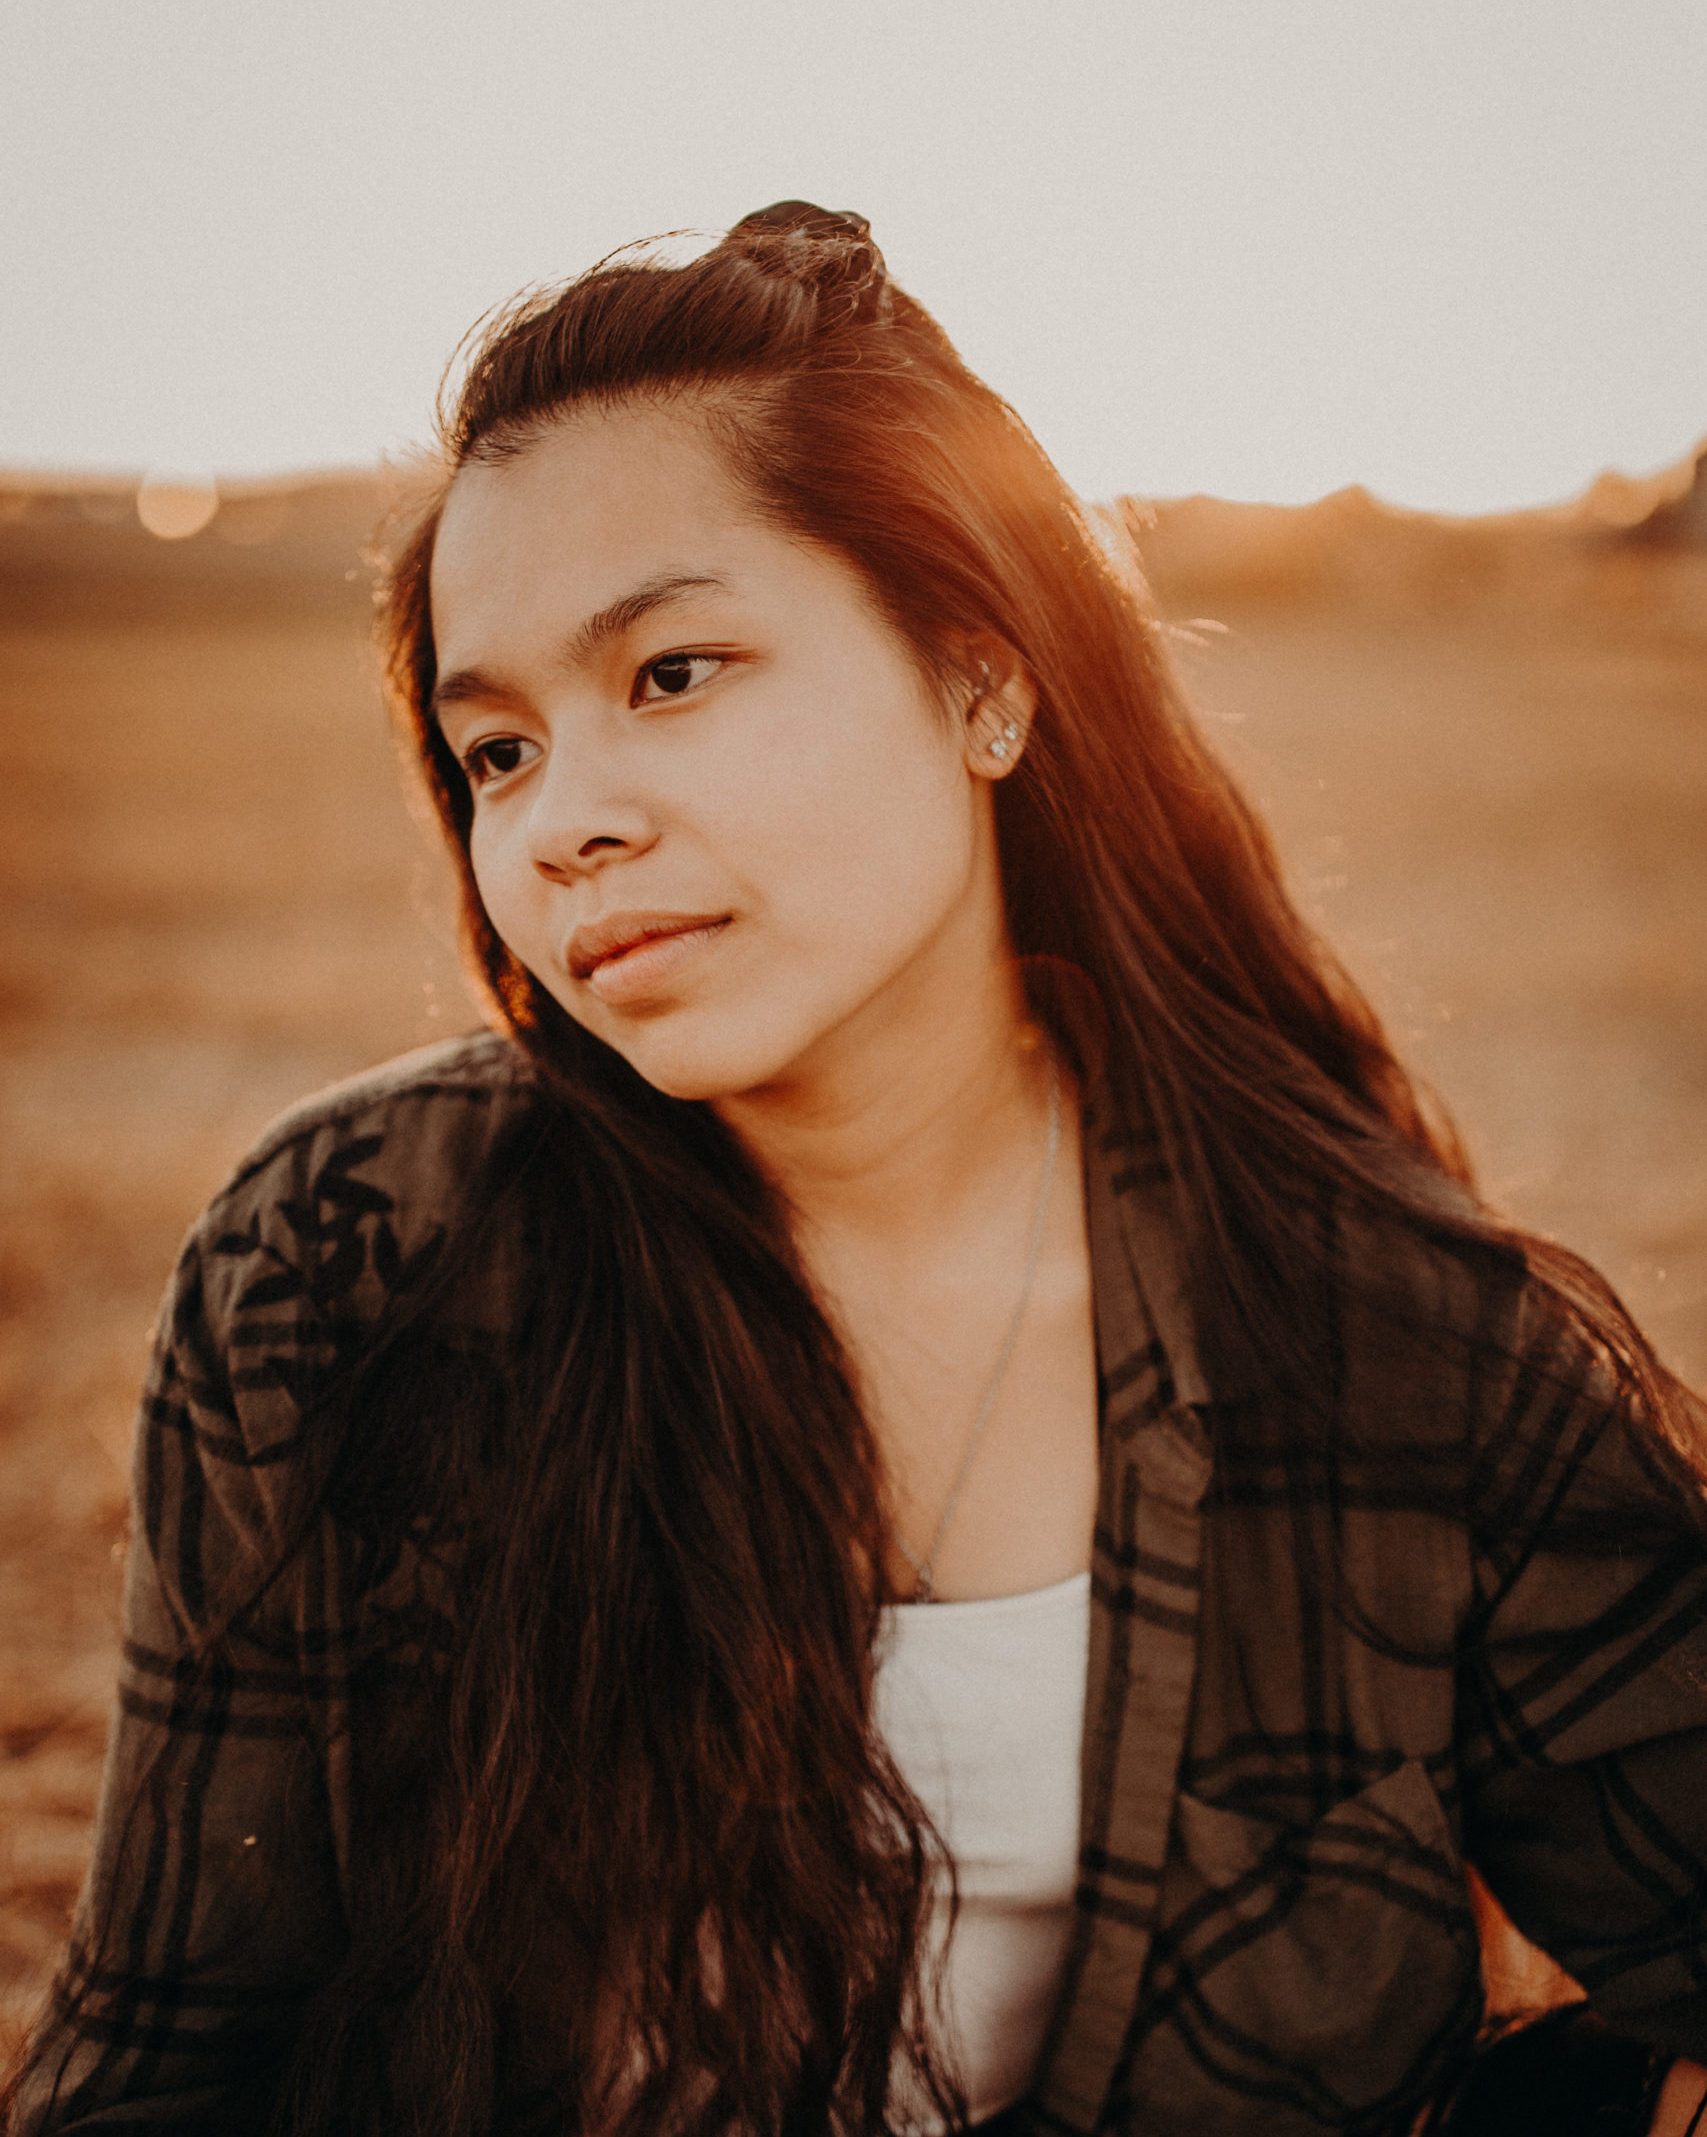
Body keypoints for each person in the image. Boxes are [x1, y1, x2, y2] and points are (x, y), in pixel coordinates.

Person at [6, 200, 1707, 2137]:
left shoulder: (1387, 1334)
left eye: (669, 672)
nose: (563, 819)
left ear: (979, 682)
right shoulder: (352, 1266)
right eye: (493, 751)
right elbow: (163, 2064)